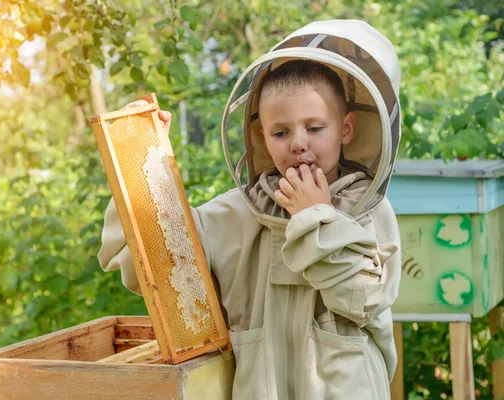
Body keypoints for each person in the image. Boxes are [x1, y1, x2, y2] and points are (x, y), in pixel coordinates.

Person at [98, 19, 402, 400]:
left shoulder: (369, 211)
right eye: (281, 132)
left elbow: (364, 299)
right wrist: (142, 156)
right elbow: (160, 263)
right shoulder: (237, 213)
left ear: (346, 128)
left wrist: (316, 218)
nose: (298, 144)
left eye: (314, 127)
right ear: (262, 136)